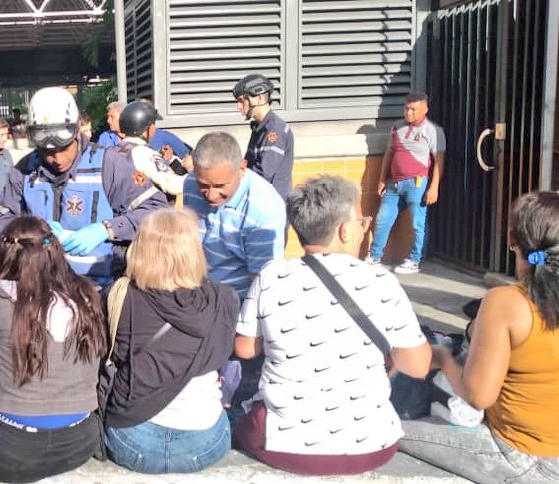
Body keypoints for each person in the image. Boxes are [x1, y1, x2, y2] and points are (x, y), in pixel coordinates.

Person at [234, 175, 431, 476]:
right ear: (343, 231)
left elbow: (245, 348)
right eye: (362, 222)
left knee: (239, 416)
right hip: (371, 446)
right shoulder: (380, 281)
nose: (364, 229)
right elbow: (417, 366)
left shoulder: (271, 276)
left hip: (284, 446)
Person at [398, 191, 559, 482]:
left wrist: (444, 358)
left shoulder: (506, 302)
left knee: (386, 431)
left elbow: (478, 396)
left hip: (523, 456)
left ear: (512, 239)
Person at [0, 216, 105, 482]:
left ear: (6, 253)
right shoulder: (87, 296)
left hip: (8, 451)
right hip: (79, 443)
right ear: (53, 250)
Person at [101, 208, 238, 474]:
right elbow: (223, 353)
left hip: (130, 438)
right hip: (205, 443)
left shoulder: (117, 296)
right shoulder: (223, 297)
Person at [0, 87, 167, 282]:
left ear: (76, 133)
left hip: (99, 288)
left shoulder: (109, 164)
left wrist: (108, 229)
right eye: (47, 152)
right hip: (41, 287)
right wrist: (30, 229)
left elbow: (157, 211)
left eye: (63, 148)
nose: (56, 158)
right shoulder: (24, 170)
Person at [183, 131, 286, 300]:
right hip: (196, 295)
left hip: (238, 303)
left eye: (220, 185)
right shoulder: (190, 183)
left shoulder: (264, 209)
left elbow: (263, 283)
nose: (211, 195)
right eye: (203, 185)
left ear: (242, 168)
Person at [367, 92, 446, 274]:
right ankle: (374, 256)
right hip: (394, 184)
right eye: (406, 108)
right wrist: (381, 179)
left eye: (413, 109)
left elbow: (439, 161)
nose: (409, 113)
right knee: (383, 219)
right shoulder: (397, 127)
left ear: (425, 109)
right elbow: (389, 154)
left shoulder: (433, 130)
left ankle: (415, 260)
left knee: (418, 223)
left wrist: (434, 187)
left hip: (417, 183)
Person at [233, 74, 294, 200]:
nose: (238, 106)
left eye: (241, 101)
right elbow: (248, 164)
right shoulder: (259, 128)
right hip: (259, 199)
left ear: (259, 98)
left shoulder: (275, 130)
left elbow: (264, 173)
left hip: (273, 205)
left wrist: (234, 181)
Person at [119, 100, 188, 197]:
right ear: (146, 128)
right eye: (153, 124)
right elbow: (173, 186)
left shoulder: (117, 149)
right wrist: (194, 174)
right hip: (144, 211)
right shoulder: (144, 153)